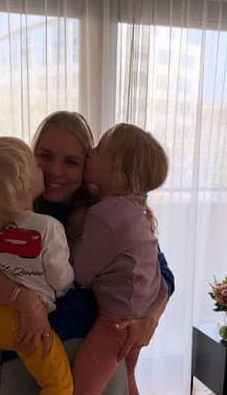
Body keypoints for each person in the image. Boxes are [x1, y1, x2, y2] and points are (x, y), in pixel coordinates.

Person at [0, 111, 175, 394]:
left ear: (88, 164)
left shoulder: (107, 212)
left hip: (97, 359)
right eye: (45, 156)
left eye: (71, 162)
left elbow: (159, 269)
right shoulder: (7, 204)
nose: (56, 171)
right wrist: (24, 300)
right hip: (25, 357)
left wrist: (150, 318)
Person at [0, 137, 74, 394]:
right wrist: (69, 285)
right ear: (24, 183)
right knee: (58, 384)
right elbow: (60, 278)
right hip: (22, 323)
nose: (43, 170)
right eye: (37, 165)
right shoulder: (48, 227)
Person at [71, 124, 168, 395]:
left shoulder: (105, 215)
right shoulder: (134, 209)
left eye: (99, 149)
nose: (90, 152)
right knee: (128, 380)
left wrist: (74, 232)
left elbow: (79, 274)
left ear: (117, 175)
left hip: (115, 324)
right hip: (138, 316)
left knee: (79, 391)